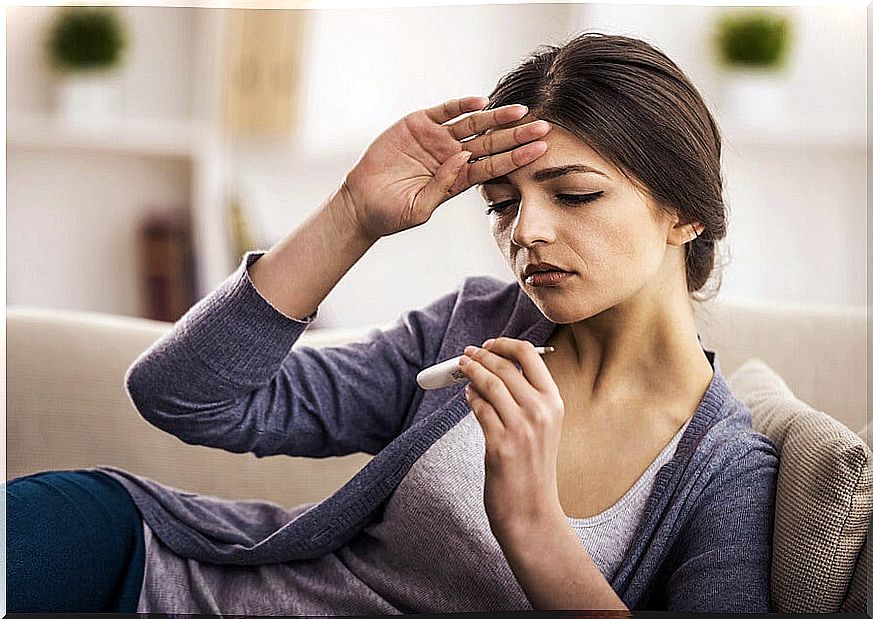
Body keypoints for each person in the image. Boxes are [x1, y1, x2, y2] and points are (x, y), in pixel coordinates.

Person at [6, 32, 778, 613]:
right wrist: (351, 215)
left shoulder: (725, 472)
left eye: (572, 194)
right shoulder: (473, 327)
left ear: (683, 213)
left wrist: (533, 525)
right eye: (501, 204)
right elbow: (181, 393)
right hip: (146, 573)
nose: (525, 233)